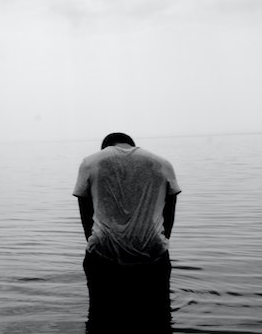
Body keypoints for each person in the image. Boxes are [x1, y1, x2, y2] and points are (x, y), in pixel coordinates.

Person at [73, 132, 181, 310]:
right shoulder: (162, 163)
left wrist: (94, 241)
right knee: (158, 315)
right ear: (131, 145)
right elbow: (169, 212)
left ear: (106, 147)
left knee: (101, 315)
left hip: (104, 251)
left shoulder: (91, 163)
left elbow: (86, 213)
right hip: (152, 251)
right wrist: (160, 241)